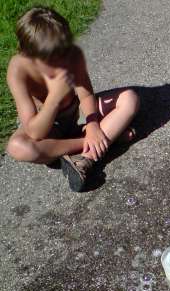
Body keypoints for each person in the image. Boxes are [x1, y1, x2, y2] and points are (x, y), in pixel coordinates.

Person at [6, 7, 139, 192]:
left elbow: (85, 94)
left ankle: (84, 156)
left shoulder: (72, 54)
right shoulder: (17, 71)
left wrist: (93, 124)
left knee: (129, 98)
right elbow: (35, 132)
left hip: (77, 115)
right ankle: (102, 142)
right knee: (17, 147)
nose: (61, 63)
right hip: (49, 129)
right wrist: (53, 98)